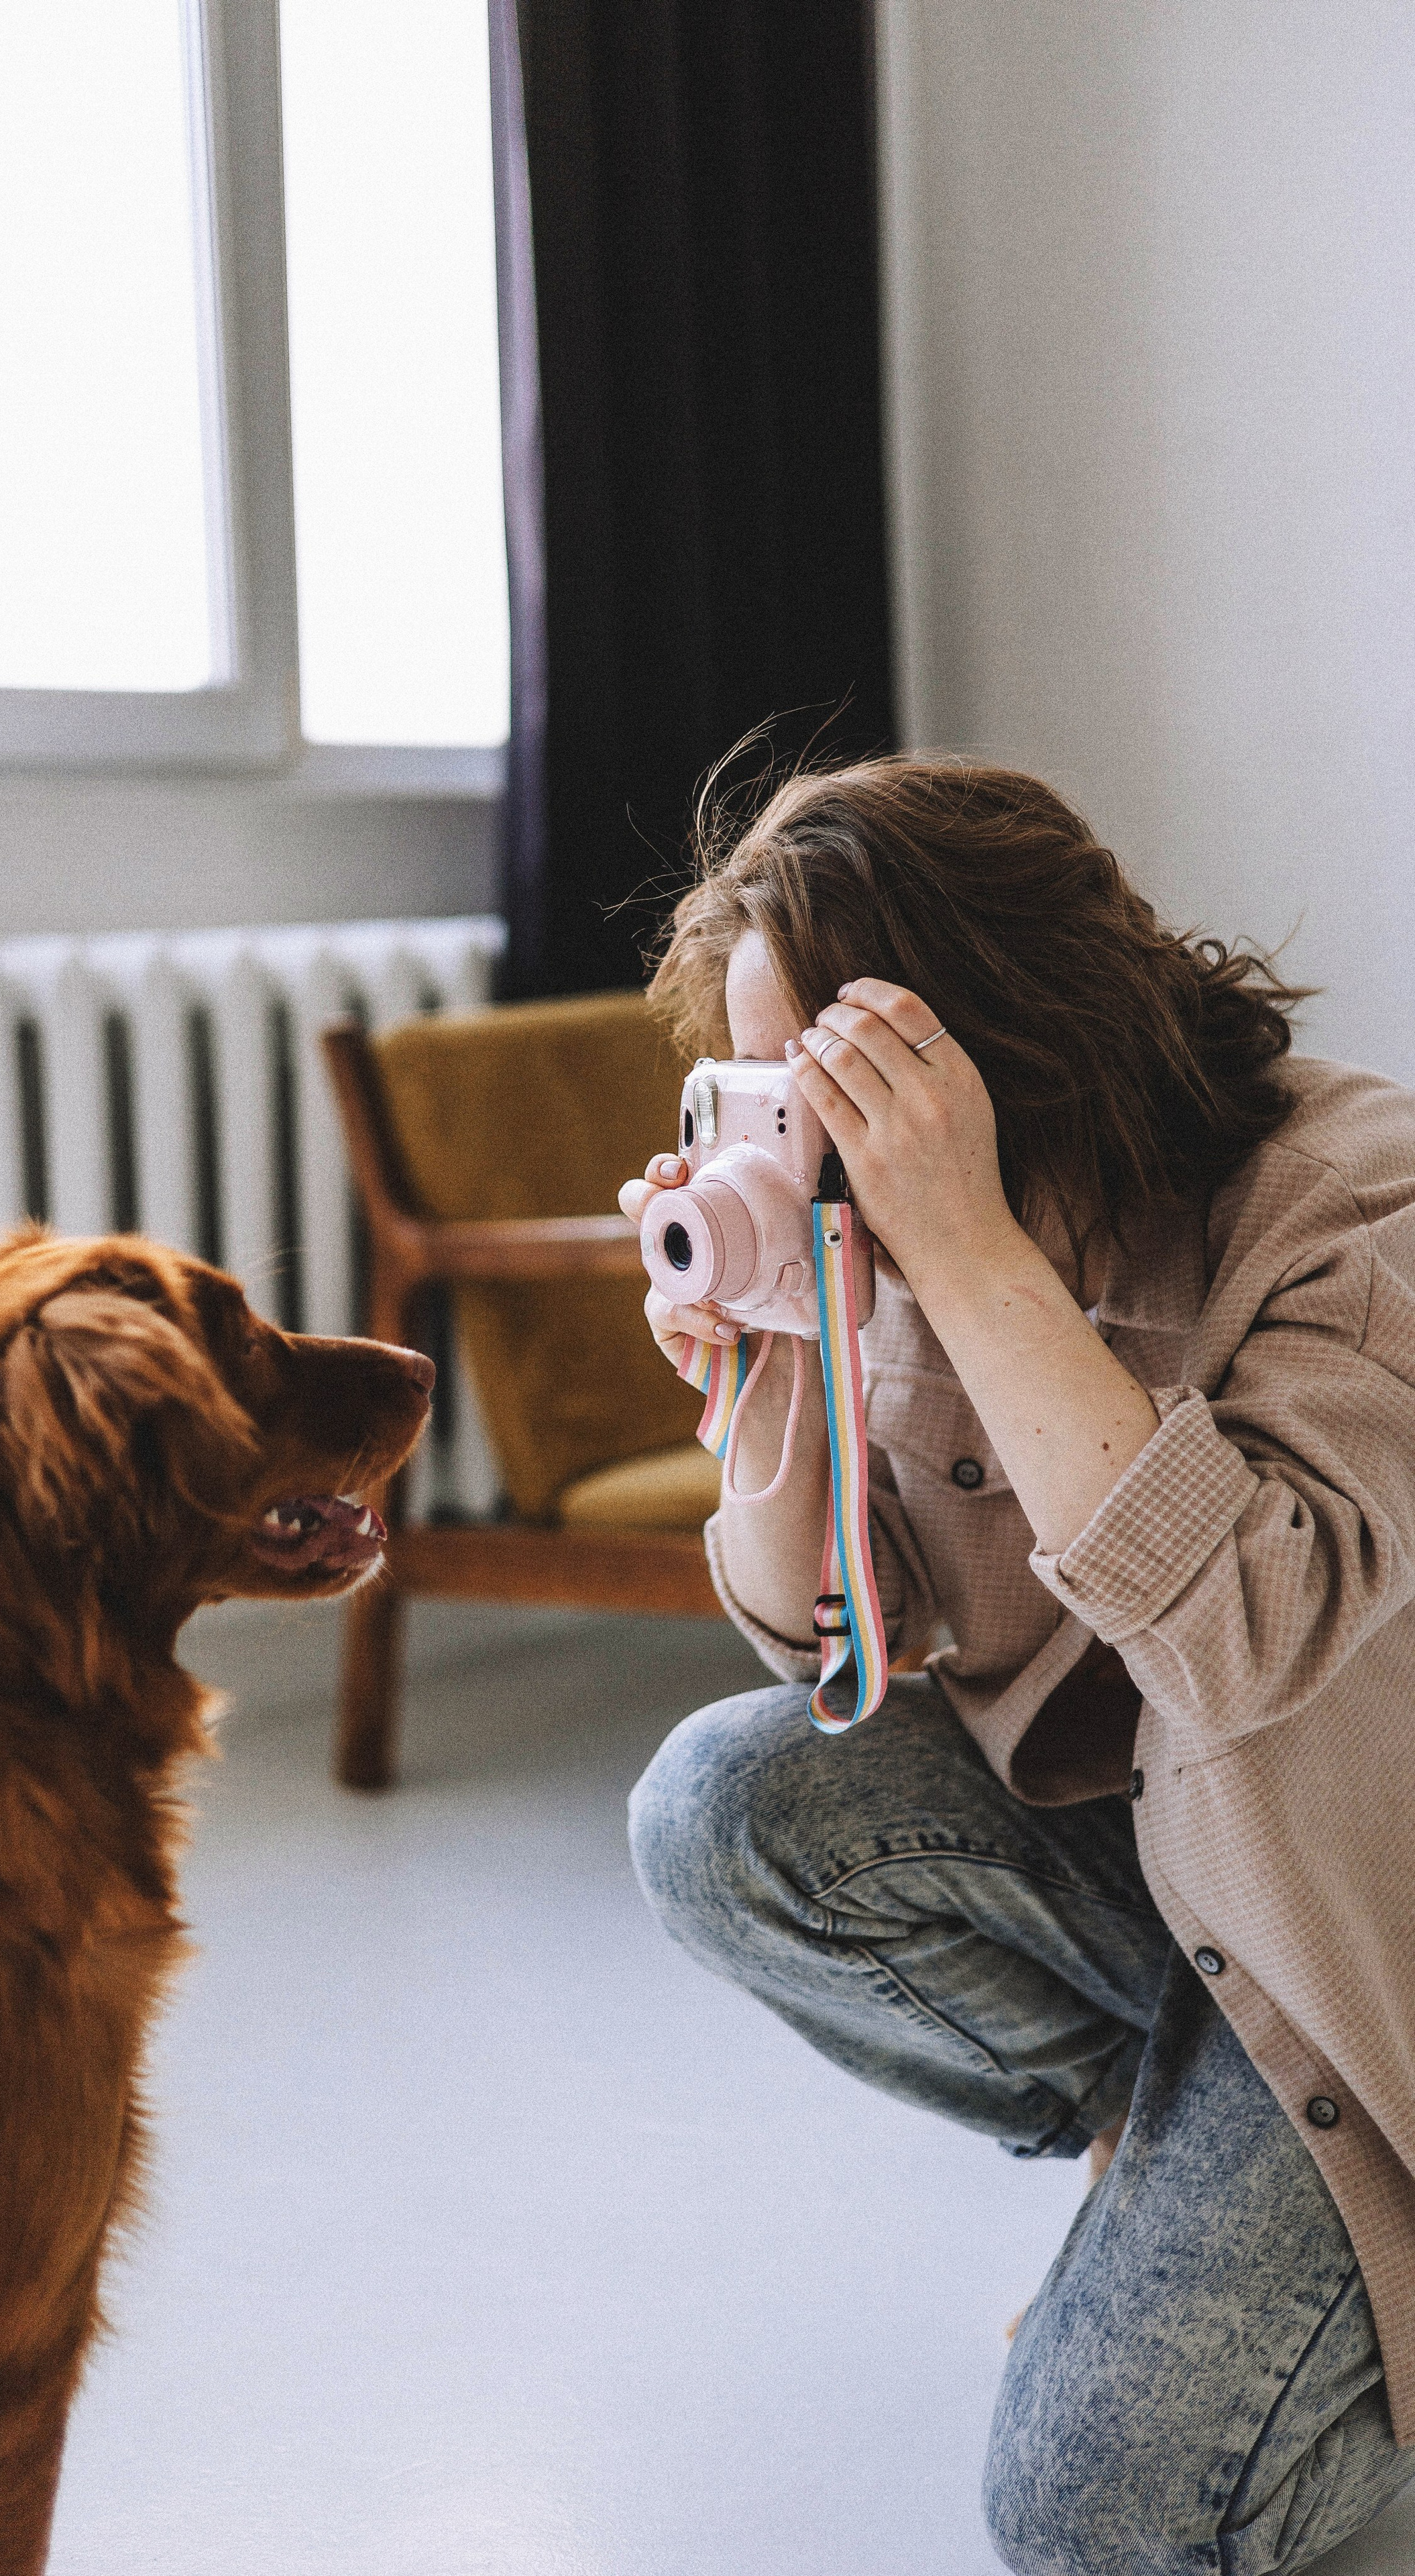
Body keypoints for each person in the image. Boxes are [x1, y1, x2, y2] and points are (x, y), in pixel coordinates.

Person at [620, 757, 1415, 2575]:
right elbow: (823, 1650)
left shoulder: (1355, 1201)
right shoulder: (878, 1241)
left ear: (1002, 1046)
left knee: (1093, 2512)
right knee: (723, 1806)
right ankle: (1169, 2134)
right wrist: (775, 1376)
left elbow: (1245, 1640)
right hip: (1162, 1884)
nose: (803, 1139)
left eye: (840, 1089)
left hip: (1363, 1942)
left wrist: (969, 1252)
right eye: (767, 1087)